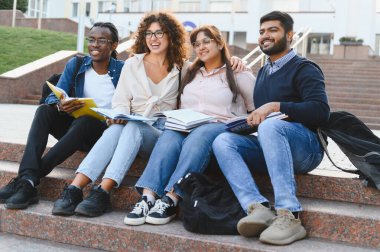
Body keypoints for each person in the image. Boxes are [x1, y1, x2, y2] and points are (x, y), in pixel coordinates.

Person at [51, 12, 189, 217]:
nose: (154, 38)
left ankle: (103, 191)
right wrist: (120, 115)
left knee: (133, 127)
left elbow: (211, 72)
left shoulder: (182, 67)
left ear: (171, 36)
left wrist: (234, 63)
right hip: (132, 126)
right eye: (149, 34)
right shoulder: (133, 64)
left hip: (162, 135)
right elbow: (121, 101)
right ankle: (75, 189)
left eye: (160, 33)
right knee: (119, 126)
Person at [212, 11, 330, 245]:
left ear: (290, 35)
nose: (265, 35)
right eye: (262, 31)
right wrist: (245, 122)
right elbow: (264, 119)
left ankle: (289, 214)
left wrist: (274, 107)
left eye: (272, 30)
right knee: (223, 141)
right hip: (273, 144)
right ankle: (258, 207)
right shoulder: (264, 71)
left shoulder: (305, 68)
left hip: (307, 149)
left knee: (271, 126)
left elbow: (321, 111)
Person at [124, 25, 255, 226]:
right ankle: (147, 198)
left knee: (200, 135)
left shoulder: (239, 74)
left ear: (220, 43)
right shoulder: (191, 73)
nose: (200, 47)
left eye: (206, 41)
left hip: (219, 126)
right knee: (169, 135)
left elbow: (258, 111)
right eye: (196, 44)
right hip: (187, 124)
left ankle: (171, 198)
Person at [0, 22, 124, 210]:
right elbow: (54, 94)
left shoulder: (123, 70)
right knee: (44, 110)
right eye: (91, 39)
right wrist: (61, 103)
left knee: (87, 120)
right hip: (73, 131)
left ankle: (27, 180)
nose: (95, 45)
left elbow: (130, 104)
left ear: (114, 45)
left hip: (100, 136)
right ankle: (28, 183)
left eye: (102, 40)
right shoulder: (76, 64)